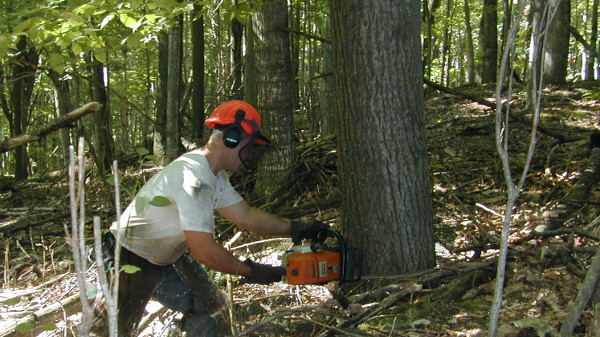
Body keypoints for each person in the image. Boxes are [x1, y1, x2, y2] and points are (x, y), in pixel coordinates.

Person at [107, 100, 328, 337]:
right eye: (250, 146)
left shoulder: (215, 176)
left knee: (212, 308)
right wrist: (249, 271)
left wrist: (296, 228)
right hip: (128, 255)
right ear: (231, 138)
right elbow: (204, 251)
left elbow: (247, 216)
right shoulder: (194, 178)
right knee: (116, 330)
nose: (250, 155)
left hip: (166, 257)